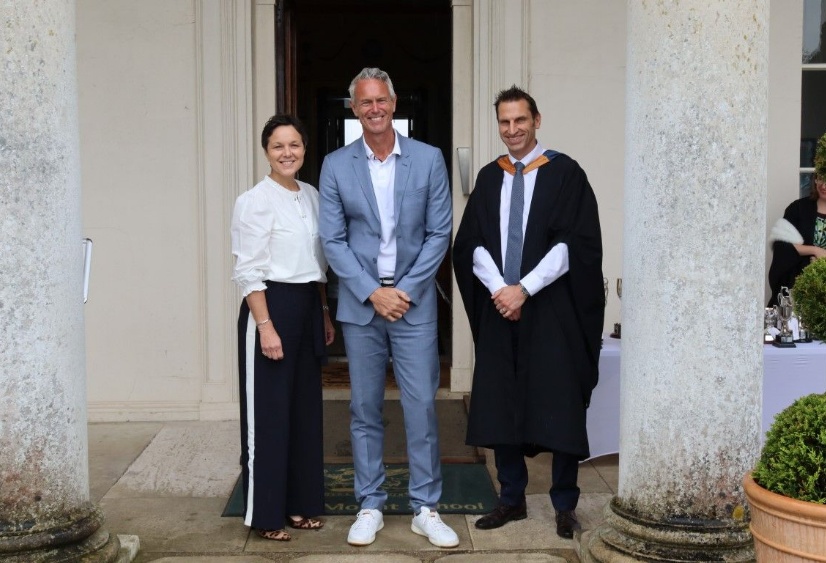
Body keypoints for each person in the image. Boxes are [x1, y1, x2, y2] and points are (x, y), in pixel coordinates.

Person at [453, 86, 604, 539]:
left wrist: (524, 289)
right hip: (501, 307)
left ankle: (563, 504)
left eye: (520, 120)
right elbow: (470, 244)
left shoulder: (565, 174)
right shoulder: (488, 177)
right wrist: (501, 290)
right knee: (502, 403)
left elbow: (573, 247)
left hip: (550, 308)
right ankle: (510, 499)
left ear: (537, 120)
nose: (512, 130)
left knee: (557, 401)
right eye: (504, 122)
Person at [318, 67, 458, 548]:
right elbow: (332, 241)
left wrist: (405, 290)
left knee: (420, 406)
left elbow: (440, 233)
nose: (374, 109)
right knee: (364, 408)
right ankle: (370, 503)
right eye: (364, 103)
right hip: (362, 304)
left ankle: (425, 506)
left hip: (412, 304)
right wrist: (372, 291)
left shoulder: (428, 159)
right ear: (353, 109)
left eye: (381, 100)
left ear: (393, 104)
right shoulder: (336, 165)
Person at [230, 114, 335, 541]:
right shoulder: (254, 200)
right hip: (270, 307)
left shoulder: (311, 195)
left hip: (308, 305)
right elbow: (248, 270)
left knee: (304, 413)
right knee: (268, 417)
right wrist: (266, 326)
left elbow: (318, 265)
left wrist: (323, 312)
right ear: (266, 151)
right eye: (278, 146)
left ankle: (300, 505)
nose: (287, 153)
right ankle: (266, 515)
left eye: (294, 145)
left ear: (305, 149)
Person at [767, 139, 826, 306]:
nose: (824, 185)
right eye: (820, 177)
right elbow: (782, 247)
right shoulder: (798, 209)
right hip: (800, 292)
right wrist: (815, 251)